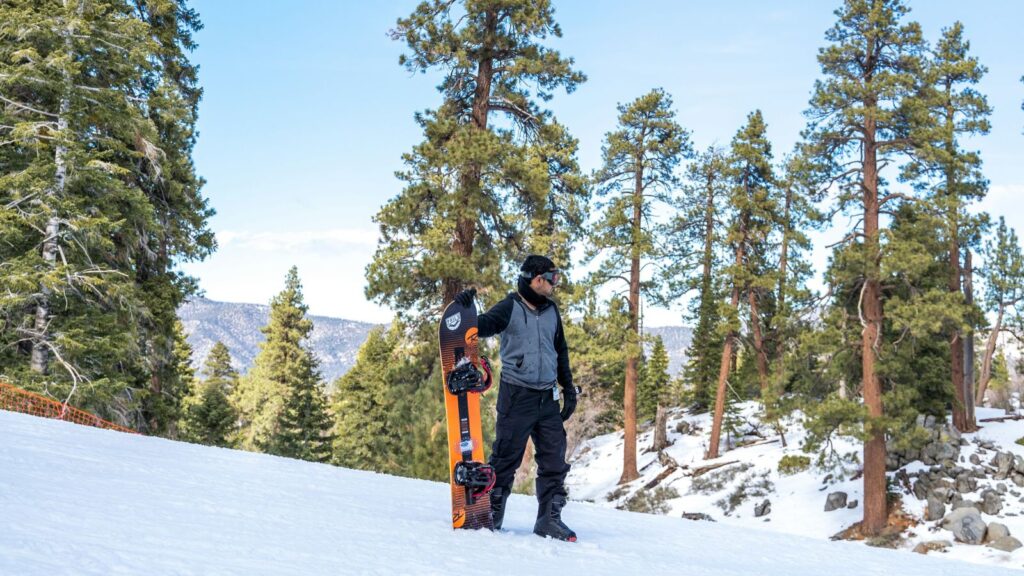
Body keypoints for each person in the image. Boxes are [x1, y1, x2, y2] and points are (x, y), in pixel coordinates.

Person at [454, 255, 579, 542]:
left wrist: (568, 388)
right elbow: (481, 326)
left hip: (547, 398)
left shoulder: (552, 312)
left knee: (554, 459)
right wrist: (464, 312)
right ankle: (492, 513)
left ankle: (549, 519)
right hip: (517, 395)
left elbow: (561, 351)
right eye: (552, 278)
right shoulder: (510, 306)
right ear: (537, 279)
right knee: (506, 457)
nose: (555, 284)